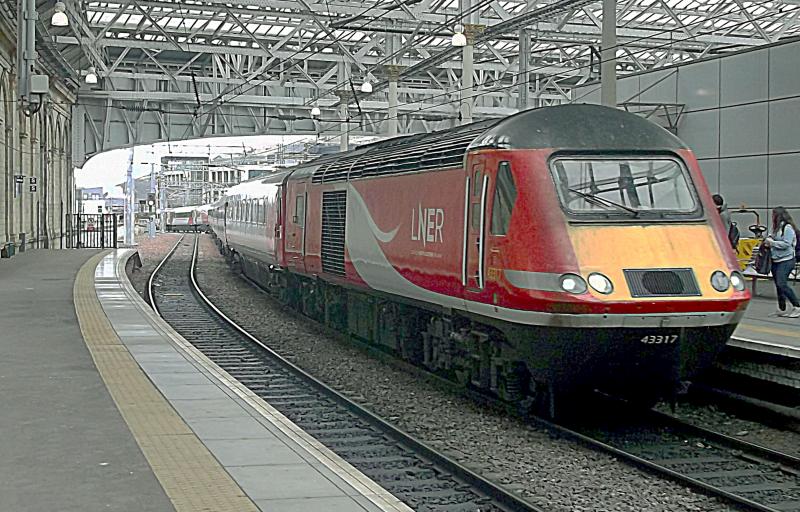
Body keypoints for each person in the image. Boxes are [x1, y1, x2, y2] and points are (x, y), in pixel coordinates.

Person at [764, 207, 800, 318]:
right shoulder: (775, 228)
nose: (772, 217)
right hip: (776, 259)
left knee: (781, 283)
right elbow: (770, 236)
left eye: (774, 215)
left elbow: (786, 244)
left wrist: (772, 243)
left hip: (786, 260)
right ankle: (782, 308)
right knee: (778, 285)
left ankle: (797, 306)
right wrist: (768, 240)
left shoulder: (787, 227)